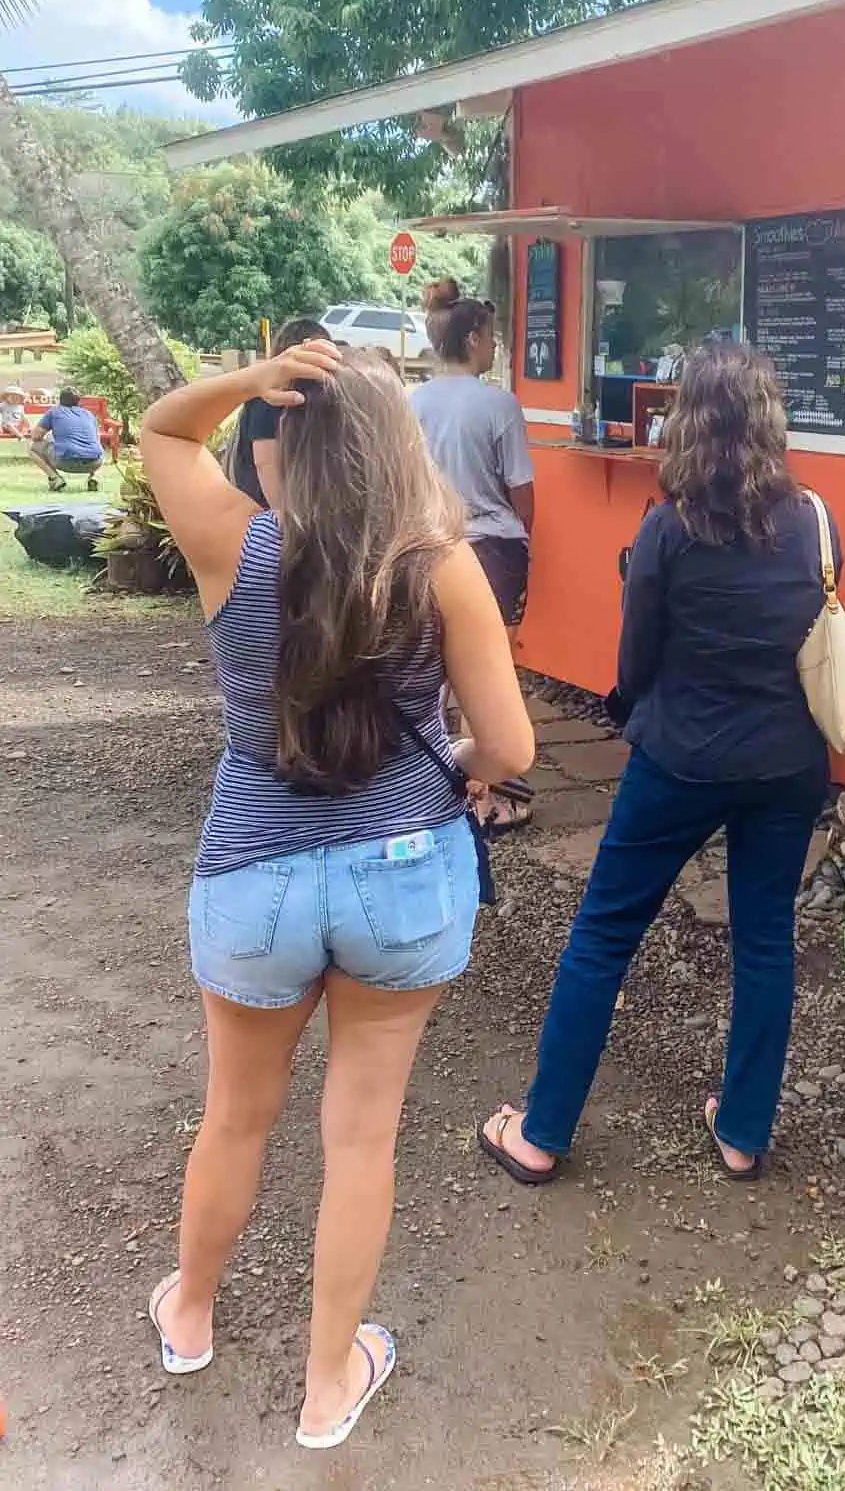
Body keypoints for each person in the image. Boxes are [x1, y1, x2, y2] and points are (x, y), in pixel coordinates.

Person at [139, 343, 534, 1449]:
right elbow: (507, 744)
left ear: (285, 446)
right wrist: (455, 761)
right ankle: (327, 1384)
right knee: (360, 1138)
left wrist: (246, 377)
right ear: (394, 443)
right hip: (402, 876)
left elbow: (162, 430)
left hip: (252, 877)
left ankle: (191, 1313)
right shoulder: (441, 562)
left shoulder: (233, 541)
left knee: (235, 1115)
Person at [479, 341, 835, 1186]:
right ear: (769, 421)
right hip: (787, 764)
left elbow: (635, 660)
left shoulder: (668, 527)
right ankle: (743, 1134)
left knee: (604, 932)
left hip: (681, 757)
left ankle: (541, 1133)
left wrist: (631, 713)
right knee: (765, 941)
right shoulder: (815, 519)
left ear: (689, 423)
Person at [411, 296, 535, 822]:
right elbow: (521, 490)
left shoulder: (411, 401)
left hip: (425, 544)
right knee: (488, 674)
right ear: (471, 340)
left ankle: (421, 783)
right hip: (490, 547)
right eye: (488, 335)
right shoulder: (498, 405)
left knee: (426, 666)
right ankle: (486, 801)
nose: (494, 344)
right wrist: (525, 539)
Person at [226, 317, 333, 509]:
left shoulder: (303, 395)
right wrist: (285, 521)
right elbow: (266, 464)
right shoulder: (270, 398)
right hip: (262, 512)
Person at [30, 387, 104, 492]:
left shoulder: (54, 412)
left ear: (60, 399)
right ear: (79, 400)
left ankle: (55, 479)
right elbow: (97, 439)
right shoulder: (89, 414)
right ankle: (94, 477)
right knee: (98, 448)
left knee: (32, 447)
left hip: (64, 461)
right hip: (95, 462)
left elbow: (35, 436)